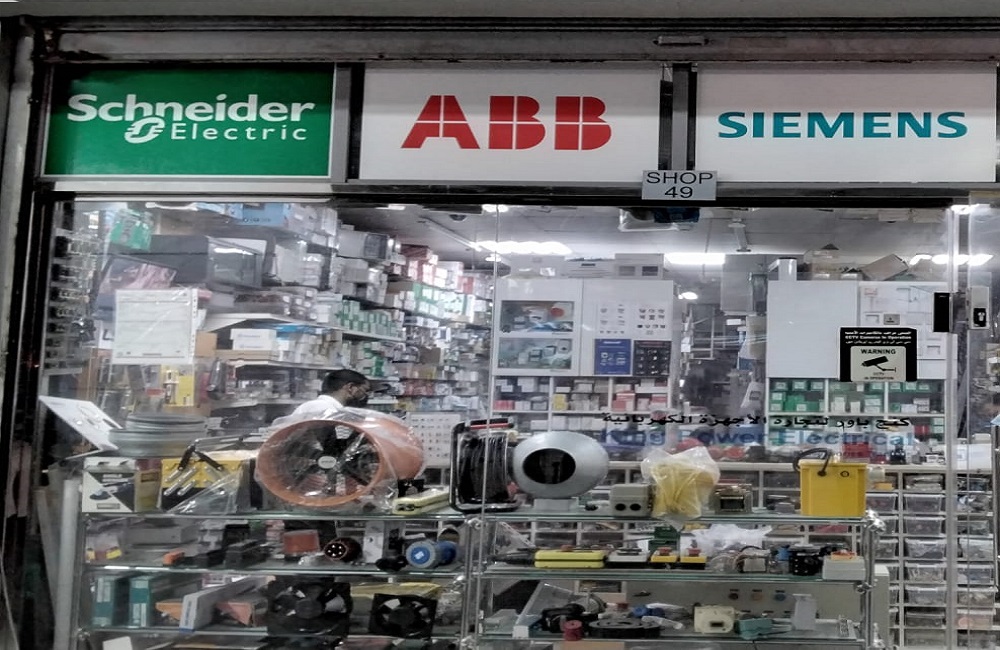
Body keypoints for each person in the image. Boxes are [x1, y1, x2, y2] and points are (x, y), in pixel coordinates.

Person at [290, 369, 372, 418]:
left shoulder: (312, 405)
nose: (365, 395)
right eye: (365, 390)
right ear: (350, 387)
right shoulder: (327, 410)